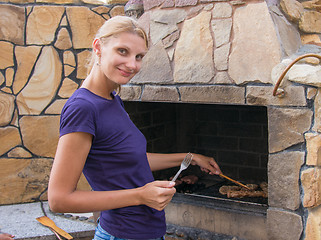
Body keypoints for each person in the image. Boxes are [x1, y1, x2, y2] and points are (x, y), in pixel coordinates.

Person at [48, 15, 221, 240]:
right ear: (98, 47)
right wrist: (141, 195)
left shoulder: (112, 99)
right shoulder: (83, 108)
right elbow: (59, 199)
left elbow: (130, 158)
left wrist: (190, 157)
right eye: (123, 51)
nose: (132, 65)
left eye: (139, 56)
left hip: (147, 232)